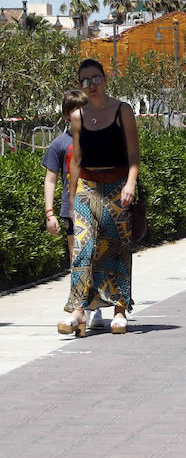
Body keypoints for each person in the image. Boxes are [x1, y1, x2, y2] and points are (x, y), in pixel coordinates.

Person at [59, 59, 140, 337]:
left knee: (116, 248)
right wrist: (70, 199)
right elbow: (76, 160)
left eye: (95, 79)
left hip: (118, 186)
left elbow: (133, 153)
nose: (90, 85)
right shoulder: (78, 116)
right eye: (84, 81)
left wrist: (131, 183)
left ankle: (119, 309)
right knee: (82, 247)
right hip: (87, 186)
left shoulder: (122, 110)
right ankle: (78, 310)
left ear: (105, 79)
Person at [43, 91, 103, 325]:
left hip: (98, 206)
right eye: (78, 109)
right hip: (72, 210)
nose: (83, 113)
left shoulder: (98, 140)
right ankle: (82, 308)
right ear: (67, 115)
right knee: (77, 260)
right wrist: (50, 213)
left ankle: (97, 307)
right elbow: (50, 179)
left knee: (98, 256)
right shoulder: (59, 144)